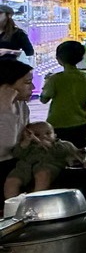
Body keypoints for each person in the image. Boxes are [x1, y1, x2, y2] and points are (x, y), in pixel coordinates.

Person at [40, 40, 86, 148]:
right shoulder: (85, 77)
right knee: (78, 152)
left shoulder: (55, 79)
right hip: (80, 122)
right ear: (81, 58)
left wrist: (45, 85)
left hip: (57, 123)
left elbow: (44, 99)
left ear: (59, 59)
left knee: (60, 154)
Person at [8, 122, 84, 195]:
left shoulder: (61, 144)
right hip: (24, 168)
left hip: (47, 166)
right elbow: (17, 154)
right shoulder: (29, 146)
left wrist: (51, 146)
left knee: (42, 175)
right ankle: (12, 203)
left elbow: (72, 152)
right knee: (11, 181)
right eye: (37, 135)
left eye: (48, 133)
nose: (44, 137)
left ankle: (35, 198)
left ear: (55, 135)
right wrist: (25, 143)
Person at [0, 60, 35, 198]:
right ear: (7, 86)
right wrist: (5, 108)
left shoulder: (22, 106)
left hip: (13, 164)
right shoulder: (6, 108)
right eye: (27, 83)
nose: (32, 87)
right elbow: (6, 144)